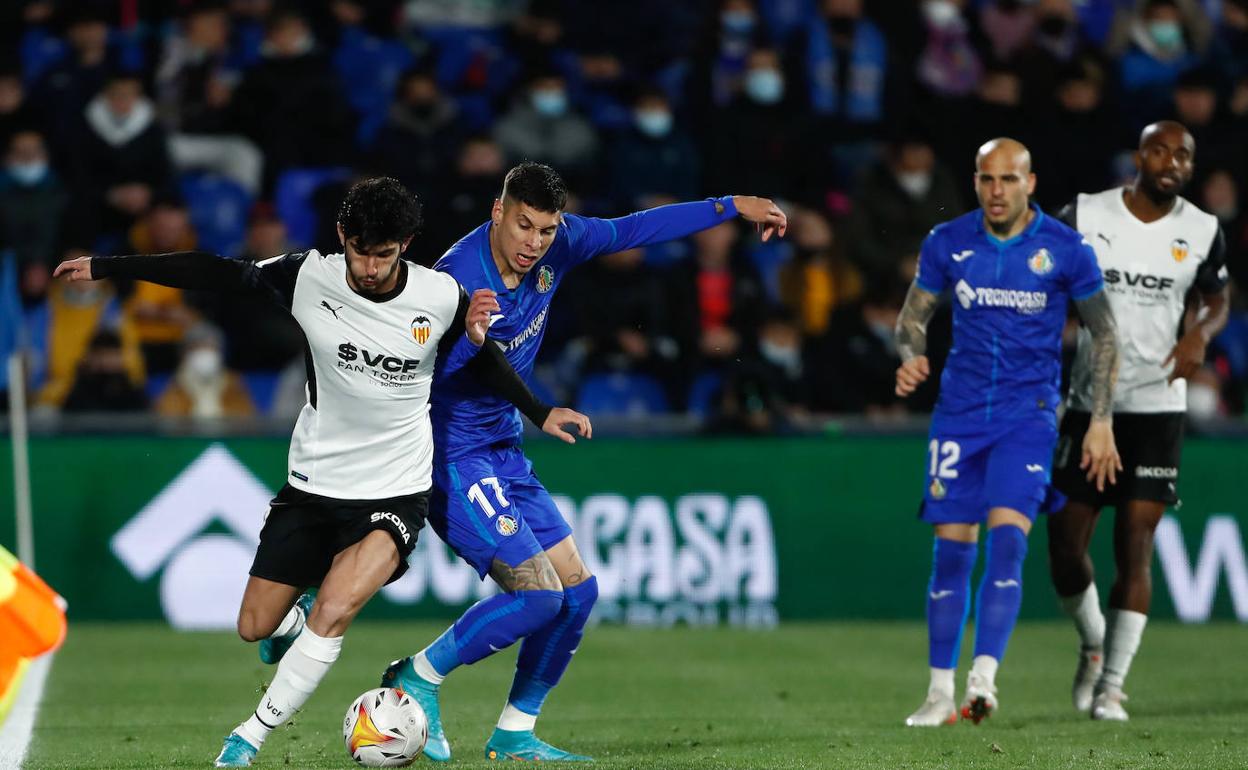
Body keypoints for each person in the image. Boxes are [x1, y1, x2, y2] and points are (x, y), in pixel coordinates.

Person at [52, 177, 590, 768]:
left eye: (383, 254)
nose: (369, 267)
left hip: (396, 491)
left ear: (405, 245)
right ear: (342, 237)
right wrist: (108, 265)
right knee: (256, 626)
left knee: (337, 609)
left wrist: (538, 409)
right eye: (359, 250)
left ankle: (248, 738)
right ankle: (291, 622)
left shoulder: (441, 295)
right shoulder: (307, 275)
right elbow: (216, 271)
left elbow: (485, 362)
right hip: (313, 487)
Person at [374, 163, 786, 761]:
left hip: (503, 449)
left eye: (545, 230)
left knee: (577, 594)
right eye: (523, 226)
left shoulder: (557, 247)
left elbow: (636, 229)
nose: (533, 244)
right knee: (538, 596)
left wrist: (729, 204)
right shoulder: (453, 279)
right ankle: (417, 675)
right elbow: (419, 378)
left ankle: (514, 731)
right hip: (453, 456)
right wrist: (468, 340)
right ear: (497, 211)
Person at [894, 138, 1121, 727]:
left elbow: (1106, 334)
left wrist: (1100, 420)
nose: (997, 190)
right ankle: (939, 693)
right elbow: (912, 318)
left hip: (1027, 416)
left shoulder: (1066, 250)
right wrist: (910, 354)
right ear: (975, 182)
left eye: (1008, 180)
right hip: (958, 417)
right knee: (950, 556)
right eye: (987, 179)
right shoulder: (948, 242)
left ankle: (983, 680)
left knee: (1009, 543)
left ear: (1030, 182)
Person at [1047, 121, 1230, 721]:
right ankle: (1094, 642)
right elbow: (1037, 264)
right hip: (1086, 403)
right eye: (1160, 150)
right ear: (1139, 157)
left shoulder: (1202, 230)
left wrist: (1200, 333)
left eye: (1183, 154)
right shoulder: (1086, 213)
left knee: (1136, 542)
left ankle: (1114, 687)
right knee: (1065, 547)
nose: (1172, 161)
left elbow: (1217, 296)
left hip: (1157, 403)